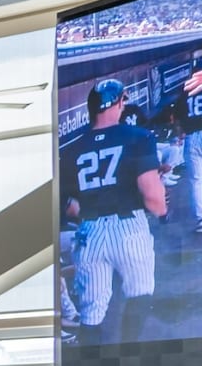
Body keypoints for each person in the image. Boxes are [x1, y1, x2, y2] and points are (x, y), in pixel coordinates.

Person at [61, 78, 165, 338]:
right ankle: (128, 363)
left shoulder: (72, 149)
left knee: (92, 311)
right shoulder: (138, 137)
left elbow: (69, 207)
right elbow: (153, 196)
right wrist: (162, 210)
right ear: (118, 103)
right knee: (140, 293)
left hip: (90, 231)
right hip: (128, 227)